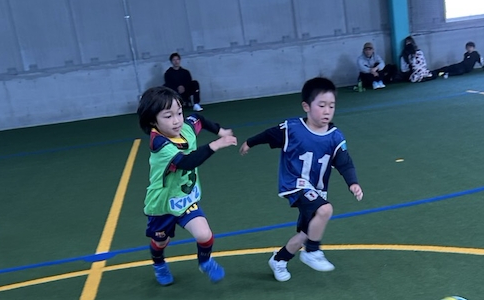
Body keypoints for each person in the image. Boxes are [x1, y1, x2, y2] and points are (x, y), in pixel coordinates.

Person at [238, 77, 363, 282]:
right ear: (306, 106)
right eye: (321, 105)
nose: (327, 111)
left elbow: (344, 162)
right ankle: (312, 252)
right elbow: (269, 135)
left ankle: (279, 260)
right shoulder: (293, 129)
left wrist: (353, 183)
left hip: (316, 190)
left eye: (331, 106)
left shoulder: (335, 137)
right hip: (295, 184)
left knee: (307, 233)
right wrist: (250, 142)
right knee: (325, 210)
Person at [139, 85, 237, 286]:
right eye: (168, 116)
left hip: (185, 199)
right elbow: (186, 162)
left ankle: (205, 261)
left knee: (204, 234)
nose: (176, 120)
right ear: (153, 121)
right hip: (162, 205)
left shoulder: (186, 128)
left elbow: (198, 119)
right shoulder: (160, 144)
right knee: (161, 241)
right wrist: (216, 144)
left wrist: (220, 130)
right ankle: (159, 264)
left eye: (179, 113)